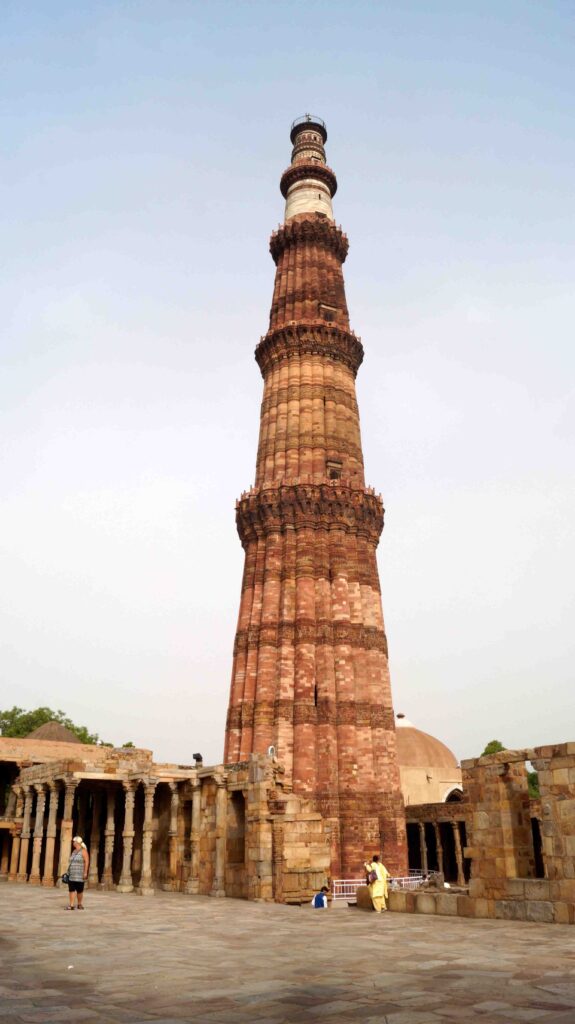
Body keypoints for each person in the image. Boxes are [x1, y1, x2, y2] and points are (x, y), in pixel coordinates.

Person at [66, 835, 90, 910]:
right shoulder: (74, 851)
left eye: (74, 841)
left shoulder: (84, 851)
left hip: (80, 875)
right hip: (72, 874)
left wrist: (85, 872)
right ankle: (71, 905)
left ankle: (79, 904)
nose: (73, 843)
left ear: (77, 842)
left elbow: (86, 862)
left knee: (80, 890)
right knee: (71, 889)